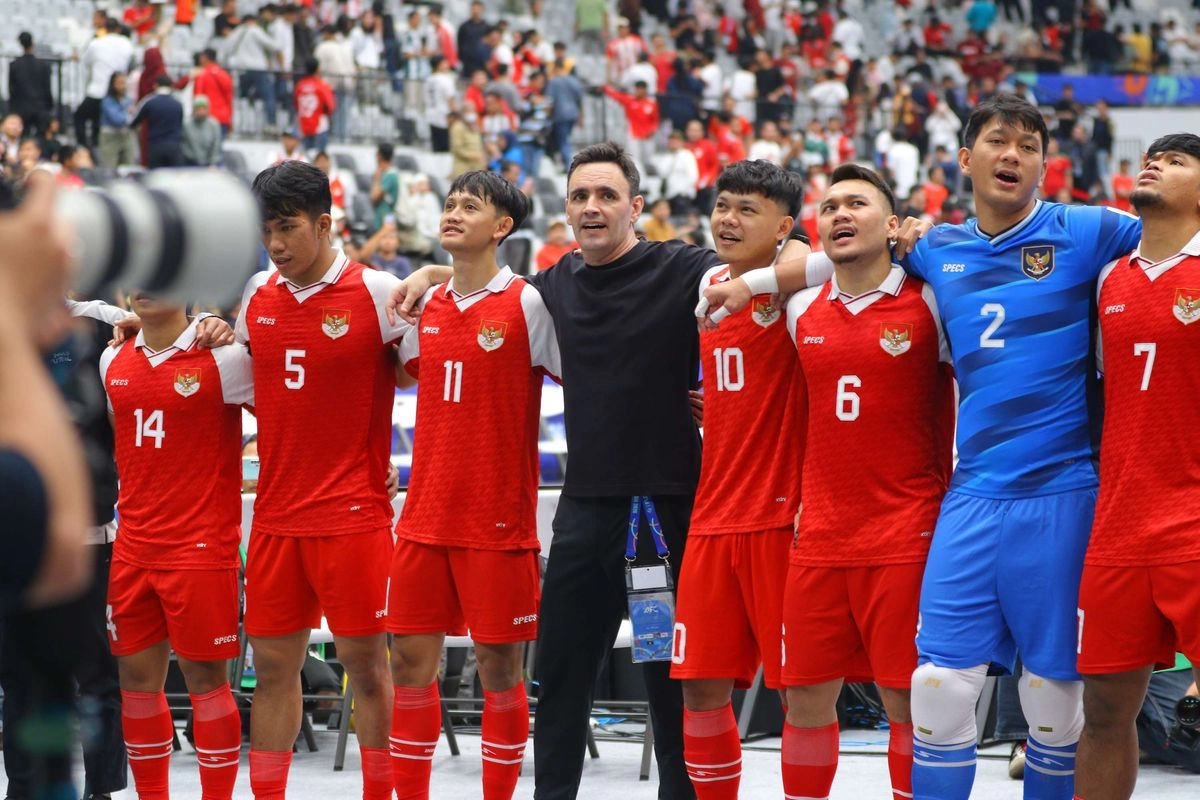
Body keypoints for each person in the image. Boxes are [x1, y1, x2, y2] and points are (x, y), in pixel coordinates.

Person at [697, 94, 1142, 800]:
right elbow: (837, 266)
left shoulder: (1086, 230)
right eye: (998, 141)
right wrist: (747, 284)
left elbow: (1176, 239)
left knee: (1054, 704)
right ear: (965, 159)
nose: (1013, 155)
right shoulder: (937, 249)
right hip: (970, 498)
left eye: (1029, 146)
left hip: (1061, 491)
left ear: (1046, 164)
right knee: (934, 690)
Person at [390, 142, 813, 800]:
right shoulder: (553, 285)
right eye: (581, 196)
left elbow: (790, 258)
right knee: (559, 680)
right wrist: (422, 275)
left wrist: (772, 262)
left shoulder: (686, 269)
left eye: (607, 195)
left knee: (669, 681)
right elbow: (475, 283)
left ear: (635, 207)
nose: (592, 206)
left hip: (664, 514)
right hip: (587, 513)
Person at [235, 160, 409, 800]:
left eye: (287, 228)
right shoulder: (256, 295)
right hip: (277, 519)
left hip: (353, 519)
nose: (275, 244)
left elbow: (426, 373)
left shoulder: (380, 292)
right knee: (274, 672)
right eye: (266, 232)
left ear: (325, 223)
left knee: (365, 668)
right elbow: (253, 387)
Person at [781, 163, 955, 800]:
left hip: (905, 533)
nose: (839, 216)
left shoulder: (932, 301)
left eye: (856, 203)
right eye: (828, 207)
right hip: (820, 535)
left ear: (892, 224)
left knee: (906, 696)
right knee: (802, 697)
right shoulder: (801, 309)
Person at [387, 170, 559, 800]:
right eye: (450, 202)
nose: (454, 213)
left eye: (470, 206)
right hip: (424, 515)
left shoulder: (527, 303)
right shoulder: (424, 305)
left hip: (496, 519)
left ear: (504, 227)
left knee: (499, 668)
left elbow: (582, 377)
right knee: (407, 665)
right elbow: (397, 373)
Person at [669, 160, 805, 799]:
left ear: (782, 227)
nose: (728, 219)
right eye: (723, 205)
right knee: (700, 683)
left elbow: (828, 259)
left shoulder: (798, 284)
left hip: (781, 515)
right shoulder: (708, 283)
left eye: (747, 210)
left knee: (800, 688)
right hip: (712, 514)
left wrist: (765, 279)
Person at [1074, 132, 1200, 800]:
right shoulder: (1106, 279)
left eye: (1178, 159)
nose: (1156, 162)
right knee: (1101, 713)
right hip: (1118, 527)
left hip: (1194, 521)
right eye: (1153, 155)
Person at [98, 293, 252, 800]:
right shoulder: (112, 356)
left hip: (201, 549)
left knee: (207, 681)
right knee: (135, 681)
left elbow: (289, 417)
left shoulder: (225, 355)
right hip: (133, 547)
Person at [129, 75, 184, 169]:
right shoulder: (178, 103)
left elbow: (134, 122)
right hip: (174, 146)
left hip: (155, 146)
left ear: (155, 86)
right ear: (171, 86)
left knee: (155, 177)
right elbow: (181, 123)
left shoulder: (149, 101)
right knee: (174, 178)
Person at [8, 32, 54, 139]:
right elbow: (47, 88)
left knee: (23, 138)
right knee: (41, 139)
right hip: (40, 108)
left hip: (21, 109)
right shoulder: (43, 65)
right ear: (32, 43)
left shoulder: (14, 65)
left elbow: (12, 90)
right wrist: (49, 107)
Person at [294, 57, 336, 154]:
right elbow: (330, 107)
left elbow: (296, 105)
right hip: (319, 129)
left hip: (304, 127)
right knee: (318, 162)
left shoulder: (299, 86)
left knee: (306, 162)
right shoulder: (322, 86)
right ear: (318, 69)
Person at [98, 73, 135, 169]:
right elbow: (117, 119)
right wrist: (128, 112)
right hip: (111, 137)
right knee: (109, 168)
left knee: (128, 167)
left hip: (125, 135)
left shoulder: (128, 100)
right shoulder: (108, 101)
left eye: (124, 83)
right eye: (120, 83)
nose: (123, 86)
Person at [182, 96, 223, 167]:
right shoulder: (186, 125)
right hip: (191, 163)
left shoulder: (213, 125)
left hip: (209, 163)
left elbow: (216, 146)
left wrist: (213, 163)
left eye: (203, 109)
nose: (201, 111)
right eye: (198, 109)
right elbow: (183, 145)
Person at [370, 141, 401, 231]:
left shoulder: (390, 175)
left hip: (386, 218)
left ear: (379, 155)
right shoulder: (386, 174)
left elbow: (374, 197)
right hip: (381, 217)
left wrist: (376, 180)